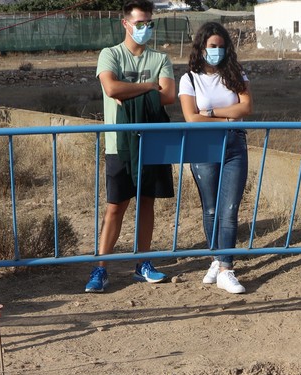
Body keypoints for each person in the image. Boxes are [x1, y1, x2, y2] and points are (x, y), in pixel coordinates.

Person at [87, 0, 176, 293]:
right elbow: (111, 87)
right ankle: (101, 268)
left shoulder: (160, 59)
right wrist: (149, 86)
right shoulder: (110, 54)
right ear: (125, 24)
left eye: (149, 23)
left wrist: (131, 92)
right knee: (116, 206)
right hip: (119, 144)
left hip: (152, 142)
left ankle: (143, 263)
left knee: (147, 202)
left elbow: (169, 95)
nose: (145, 28)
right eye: (140, 23)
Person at [179, 21, 252, 295]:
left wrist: (210, 113)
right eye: (212, 46)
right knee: (210, 209)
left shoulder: (236, 74)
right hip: (203, 146)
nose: (217, 51)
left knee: (229, 209)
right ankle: (216, 258)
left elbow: (246, 107)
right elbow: (191, 117)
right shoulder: (189, 79)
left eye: (221, 46)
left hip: (234, 144)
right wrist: (227, 116)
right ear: (201, 47)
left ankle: (226, 269)